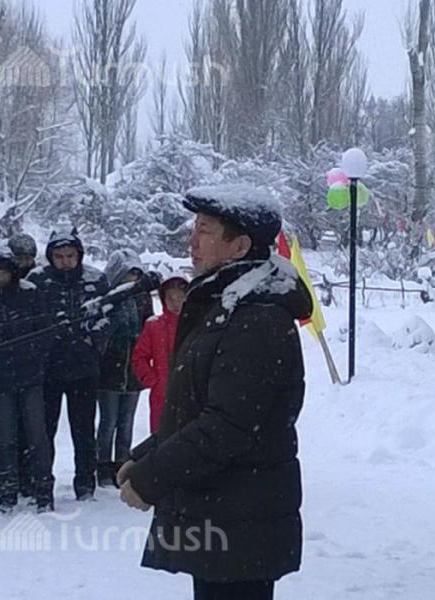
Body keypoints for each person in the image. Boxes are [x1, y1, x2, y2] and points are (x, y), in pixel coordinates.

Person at [118, 184, 310, 600]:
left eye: (204, 231)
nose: (192, 241)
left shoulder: (257, 319)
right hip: (223, 513)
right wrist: (148, 453)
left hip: (241, 516)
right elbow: (197, 406)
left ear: (239, 246)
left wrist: (152, 478)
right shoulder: (226, 305)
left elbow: (226, 426)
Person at [0, 244, 54, 514]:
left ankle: (43, 491)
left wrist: (35, 360)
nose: (0, 276)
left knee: (37, 435)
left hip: (31, 377)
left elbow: (45, 332)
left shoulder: (30, 294)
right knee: (4, 437)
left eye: (4, 271)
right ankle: (7, 492)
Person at [28, 226, 110, 501]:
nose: (65, 261)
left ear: (79, 255)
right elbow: (29, 322)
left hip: (84, 368)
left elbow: (107, 316)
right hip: (47, 369)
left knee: (84, 430)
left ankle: (85, 484)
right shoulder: (37, 281)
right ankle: (41, 485)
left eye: (70, 255)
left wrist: (92, 340)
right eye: (59, 256)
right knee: (43, 431)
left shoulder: (95, 279)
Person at [96, 249, 152, 488]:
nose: (132, 279)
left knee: (126, 421)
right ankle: (102, 465)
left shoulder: (142, 299)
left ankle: (122, 463)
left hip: (133, 370)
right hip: (110, 370)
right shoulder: (107, 299)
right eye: (128, 274)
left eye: (136, 275)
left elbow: (148, 329)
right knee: (108, 421)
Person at [132, 275, 189, 434]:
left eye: (180, 298)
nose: (175, 303)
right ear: (163, 300)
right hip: (161, 396)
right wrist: (153, 380)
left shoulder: (196, 324)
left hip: (190, 395)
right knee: (161, 437)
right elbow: (139, 357)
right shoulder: (154, 326)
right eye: (170, 298)